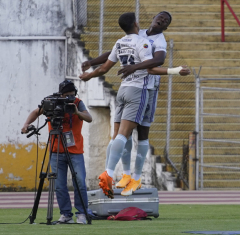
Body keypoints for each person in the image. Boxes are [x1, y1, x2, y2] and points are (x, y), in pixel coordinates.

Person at [79, 12, 186, 198]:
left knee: (141, 133)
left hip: (148, 89)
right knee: (124, 136)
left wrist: (131, 67)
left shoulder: (159, 41)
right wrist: (92, 62)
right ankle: (125, 174)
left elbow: (157, 61)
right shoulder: (140, 36)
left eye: (166, 21)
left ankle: (135, 177)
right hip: (135, 88)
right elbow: (114, 53)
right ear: (152, 18)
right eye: (161, 17)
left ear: (166, 26)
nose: (162, 20)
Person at [21, 80, 93, 224]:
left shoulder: (78, 103)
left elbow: (89, 118)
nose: (69, 99)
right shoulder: (52, 102)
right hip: (56, 149)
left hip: (75, 150)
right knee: (59, 184)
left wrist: (77, 112)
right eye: (66, 95)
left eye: (72, 95)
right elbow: (36, 112)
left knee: (79, 182)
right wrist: (26, 124)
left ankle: (82, 214)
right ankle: (66, 214)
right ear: (61, 94)